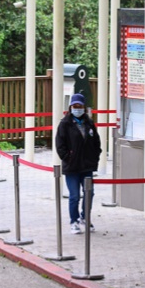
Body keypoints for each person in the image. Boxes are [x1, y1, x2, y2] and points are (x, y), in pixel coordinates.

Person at [55, 93, 101, 234]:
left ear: (84, 107)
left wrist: (94, 158)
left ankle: (85, 217)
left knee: (89, 193)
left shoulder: (89, 123)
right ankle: (73, 221)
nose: (77, 109)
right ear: (70, 107)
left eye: (80, 106)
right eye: (75, 106)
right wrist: (68, 158)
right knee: (74, 195)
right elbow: (60, 144)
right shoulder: (65, 124)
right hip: (72, 167)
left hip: (87, 166)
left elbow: (96, 143)